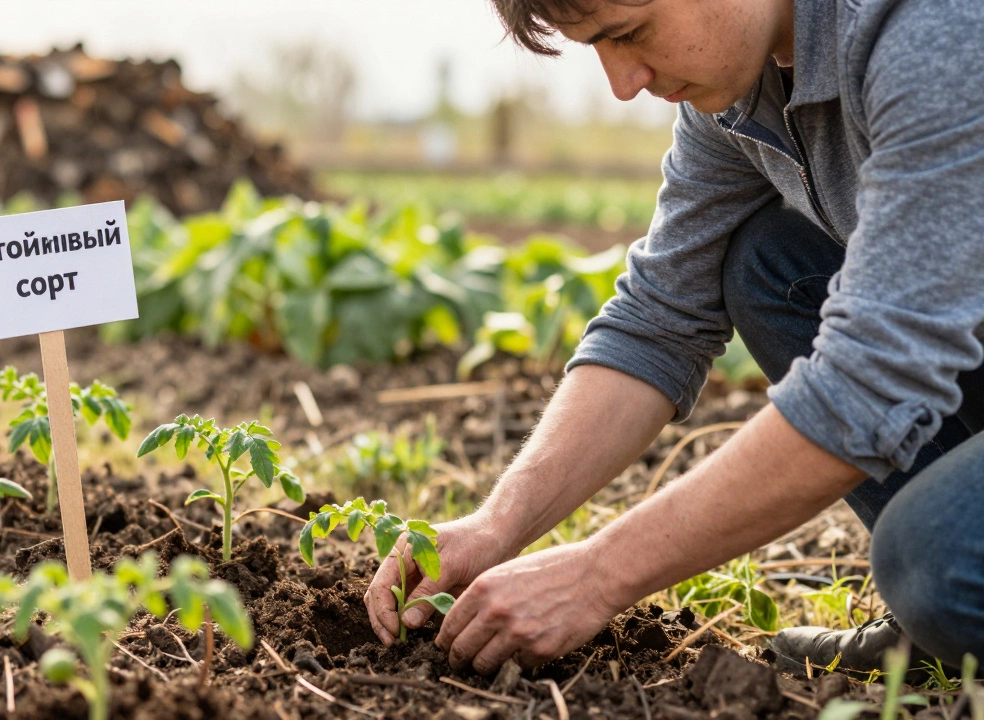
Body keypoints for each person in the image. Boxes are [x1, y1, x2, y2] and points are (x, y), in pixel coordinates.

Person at [364, 0, 984, 677]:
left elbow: (869, 383)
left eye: (629, 33)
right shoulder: (740, 93)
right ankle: (945, 622)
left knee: (935, 557)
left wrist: (598, 574)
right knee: (769, 263)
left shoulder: (938, 32)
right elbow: (658, 320)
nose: (623, 83)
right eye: (596, 47)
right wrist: (497, 526)